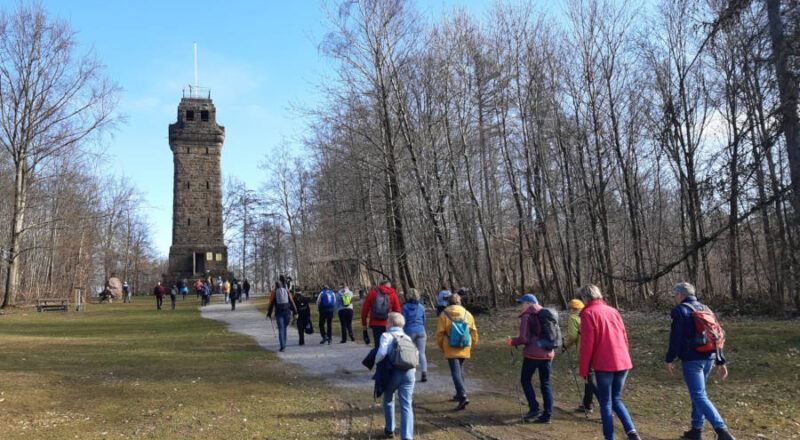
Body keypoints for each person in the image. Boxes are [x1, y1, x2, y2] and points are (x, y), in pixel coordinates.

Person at [666, 283, 735, 440]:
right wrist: (720, 360)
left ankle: (722, 430)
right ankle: (696, 430)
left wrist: (669, 359)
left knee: (698, 395)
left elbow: (675, 338)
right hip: (709, 358)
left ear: (680, 295)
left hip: (692, 360)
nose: (675, 298)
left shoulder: (680, 310)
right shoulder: (706, 308)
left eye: (675, 295)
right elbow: (717, 335)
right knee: (698, 394)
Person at [578, 284, 642, 440]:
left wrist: (584, 370)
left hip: (605, 362)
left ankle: (609, 437)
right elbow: (624, 337)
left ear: (585, 298)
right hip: (622, 361)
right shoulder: (613, 311)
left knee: (606, 402)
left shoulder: (587, 313)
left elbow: (587, 345)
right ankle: (632, 432)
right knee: (616, 399)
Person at [509, 294, 554, 423]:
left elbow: (524, 338)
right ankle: (548, 414)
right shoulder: (546, 313)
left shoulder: (527, 316)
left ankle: (534, 408)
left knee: (525, 380)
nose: (521, 306)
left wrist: (513, 342)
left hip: (533, 354)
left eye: (522, 303)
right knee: (545, 383)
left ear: (529, 303)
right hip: (548, 353)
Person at [374, 312, 417, 440]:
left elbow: (382, 353)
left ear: (391, 324)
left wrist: (376, 363)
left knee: (388, 399)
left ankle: (390, 428)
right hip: (409, 373)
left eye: (387, 322)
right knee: (406, 404)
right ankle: (407, 436)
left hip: (393, 373)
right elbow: (416, 354)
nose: (386, 324)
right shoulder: (407, 337)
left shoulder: (387, 335)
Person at [436, 293, 478, 411]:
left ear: (448, 302)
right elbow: (474, 332)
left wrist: (442, 347)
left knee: (455, 372)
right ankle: (459, 393)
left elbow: (439, 334)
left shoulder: (444, 315)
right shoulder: (467, 314)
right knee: (460, 369)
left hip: (450, 347)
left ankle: (462, 396)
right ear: (460, 302)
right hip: (464, 346)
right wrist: (470, 345)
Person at [564, 298, 595, 414]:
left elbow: (572, 336)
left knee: (588, 378)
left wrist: (565, 346)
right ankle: (587, 402)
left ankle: (588, 404)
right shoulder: (590, 314)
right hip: (595, 350)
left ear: (572, 308)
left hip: (583, 351)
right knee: (591, 377)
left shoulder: (573, 318)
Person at [361, 280, 402, 348]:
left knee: (378, 346)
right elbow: (398, 310)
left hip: (375, 324)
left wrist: (364, 325)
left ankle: (378, 358)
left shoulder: (372, 293)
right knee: (389, 346)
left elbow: (365, 310)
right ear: (389, 285)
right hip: (389, 324)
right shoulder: (392, 293)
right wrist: (398, 325)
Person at [401, 288, 428, 383]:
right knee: (421, 353)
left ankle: (409, 373)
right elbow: (424, 319)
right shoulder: (421, 307)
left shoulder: (405, 307)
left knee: (409, 353)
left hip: (409, 330)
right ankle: (424, 372)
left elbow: (403, 320)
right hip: (421, 330)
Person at [267, 280, 298, 351]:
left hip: (278, 313)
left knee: (281, 328)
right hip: (287, 312)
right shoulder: (286, 291)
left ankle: (282, 345)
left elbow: (271, 304)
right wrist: (295, 312)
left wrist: (269, 313)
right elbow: (291, 302)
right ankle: (284, 342)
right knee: (284, 327)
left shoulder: (274, 293)